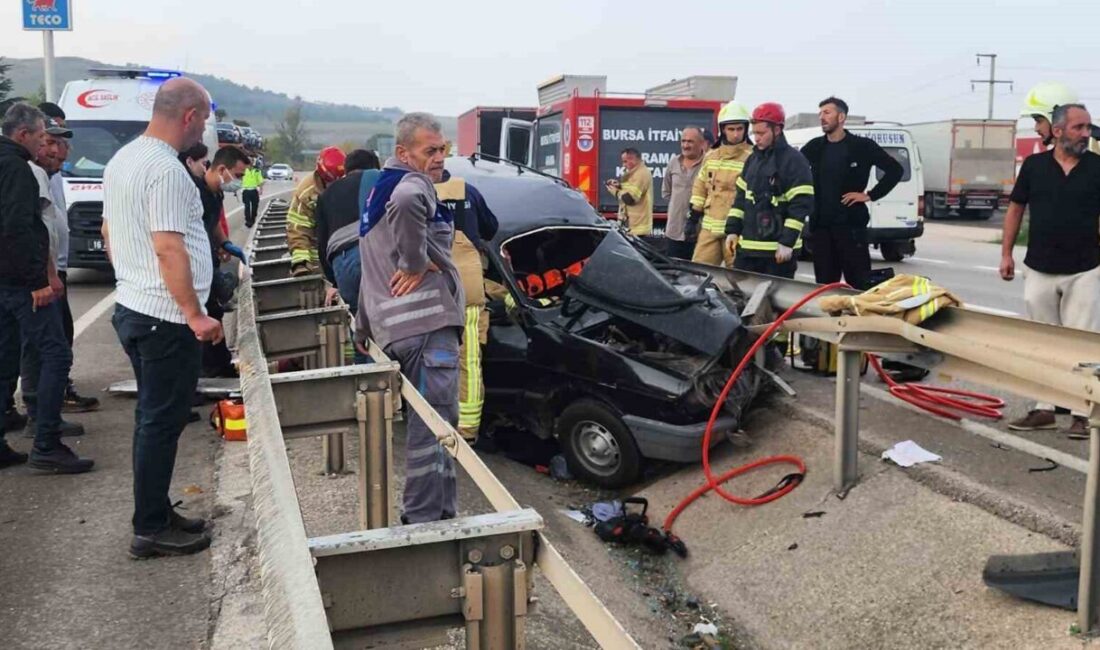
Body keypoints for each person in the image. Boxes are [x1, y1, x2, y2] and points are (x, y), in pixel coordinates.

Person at [101, 78, 218, 558]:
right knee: (159, 423)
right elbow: (169, 246)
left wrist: (130, 276)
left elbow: (111, 231)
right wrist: (194, 314)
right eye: (205, 120)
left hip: (136, 307)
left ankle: (155, 512)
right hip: (166, 319)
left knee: (153, 421)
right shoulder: (167, 171)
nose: (204, 131)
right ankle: (150, 527)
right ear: (189, 115)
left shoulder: (124, 159)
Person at [355, 113, 464, 523]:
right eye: (429, 150)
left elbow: (371, 267)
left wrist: (362, 325)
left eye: (442, 149)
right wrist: (416, 261)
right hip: (426, 328)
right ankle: (423, 519)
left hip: (394, 329)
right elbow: (408, 205)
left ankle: (441, 513)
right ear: (404, 153)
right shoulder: (411, 185)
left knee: (432, 429)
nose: (438, 158)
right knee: (434, 430)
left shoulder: (376, 192)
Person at [0, 102, 93, 473]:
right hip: (23, 282)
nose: (44, 145)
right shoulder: (18, 168)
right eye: (41, 137)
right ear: (22, 135)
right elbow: (19, 228)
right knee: (55, 355)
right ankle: (47, 442)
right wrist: (39, 279)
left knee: (7, 357)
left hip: (6, 281)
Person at [1001, 103, 1100, 436]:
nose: (1086, 134)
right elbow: (1015, 210)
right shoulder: (1034, 166)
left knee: (1082, 342)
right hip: (1039, 266)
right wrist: (1006, 255)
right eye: (1079, 128)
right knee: (1043, 341)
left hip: (1086, 268)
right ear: (1058, 131)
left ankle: (1081, 413)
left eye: (1088, 128)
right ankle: (1044, 408)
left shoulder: (1097, 167)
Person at [20, 117, 91, 439]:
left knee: (54, 344)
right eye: (49, 143)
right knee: (46, 350)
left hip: (51, 272)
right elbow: (33, 231)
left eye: (61, 149)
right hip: (40, 276)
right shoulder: (30, 174)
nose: (56, 152)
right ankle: (41, 425)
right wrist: (46, 275)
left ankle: (45, 415)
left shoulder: (51, 176)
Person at [799, 97, 903, 289]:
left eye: (827, 113)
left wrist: (870, 195)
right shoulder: (814, 147)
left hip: (851, 228)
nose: (822, 117)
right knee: (824, 287)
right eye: (820, 113)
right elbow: (793, 169)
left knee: (859, 284)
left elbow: (895, 170)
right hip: (822, 229)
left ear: (841, 117)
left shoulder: (862, 146)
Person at [435, 160, 499, 441]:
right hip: (470, 284)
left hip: (432, 285)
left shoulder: (416, 195)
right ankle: (468, 428)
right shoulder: (469, 192)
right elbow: (490, 228)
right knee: (469, 359)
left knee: (432, 354)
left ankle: (432, 417)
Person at [179, 143, 249, 378]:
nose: (238, 181)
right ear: (222, 169)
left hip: (207, 260)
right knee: (202, 318)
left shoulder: (216, 192)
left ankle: (220, 366)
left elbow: (214, 222)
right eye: (237, 175)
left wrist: (225, 243)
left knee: (215, 313)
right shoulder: (194, 191)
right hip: (192, 266)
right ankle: (203, 373)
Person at [725, 102, 814, 279]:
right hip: (748, 251)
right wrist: (732, 230)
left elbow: (800, 205)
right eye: (754, 133)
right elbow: (740, 199)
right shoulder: (752, 160)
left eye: (761, 133)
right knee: (740, 300)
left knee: (775, 306)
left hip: (777, 254)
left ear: (777, 130)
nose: (756, 138)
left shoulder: (794, 161)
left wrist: (787, 243)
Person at [687, 102, 754, 267]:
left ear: (746, 129)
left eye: (739, 129)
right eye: (731, 129)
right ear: (723, 129)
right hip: (709, 229)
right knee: (699, 274)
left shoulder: (753, 157)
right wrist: (693, 218)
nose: (736, 134)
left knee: (740, 280)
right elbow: (700, 188)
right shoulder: (711, 157)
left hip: (738, 231)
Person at [315, 148, 381, 311]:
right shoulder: (379, 179)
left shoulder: (326, 195)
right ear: (374, 166)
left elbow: (322, 244)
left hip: (342, 264)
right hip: (372, 255)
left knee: (357, 320)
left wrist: (335, 281)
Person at [288, 146, 346, 276]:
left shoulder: (348, 181)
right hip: (319, 254)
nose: (334, 186)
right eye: (330, 182)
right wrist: (301, 261)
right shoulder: (306, 193)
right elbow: (298, 227)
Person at [662, 126, 706, 259]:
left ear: (701, 143)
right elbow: (666, 192)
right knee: (673, 273)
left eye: (690, 142)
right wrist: (678, 206)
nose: (685, 145)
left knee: (697, 274)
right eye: (683, 141)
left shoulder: (708, 163)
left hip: (699, 233)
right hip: (674, 231)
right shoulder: (673, 162)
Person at [605, 148, 653, 236]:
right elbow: (630, 190)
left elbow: (630, 199)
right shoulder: (634, 173)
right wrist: (619, 186)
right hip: (632, 228)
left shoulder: (641, 174)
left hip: (638, 230)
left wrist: (615, 192)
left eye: (625, 161)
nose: (623, 165)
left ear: (633, 160)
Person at [240, 160, 264, 228]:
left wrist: (261, 189)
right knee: (247, 206)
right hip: (246, 190)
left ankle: (253, 219)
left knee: (255, 206)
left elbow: (261, 181)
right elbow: (239, 179)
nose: (249, 166)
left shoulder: (256, 171)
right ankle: (248, 220)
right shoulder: (243, 171)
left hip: (254, 190)